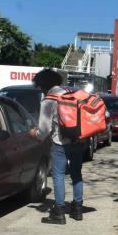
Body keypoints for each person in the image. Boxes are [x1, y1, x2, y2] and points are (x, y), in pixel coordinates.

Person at [28, 68, 85, 224]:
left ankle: (59, 212)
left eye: (39, 86)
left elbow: (44, 131)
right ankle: (78, 209)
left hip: (60, 143)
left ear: (43, 85)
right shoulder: (70, 94)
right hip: (77, 141)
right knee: (76, 174)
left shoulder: (49, 100)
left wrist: (34, 134)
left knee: (58, 176)